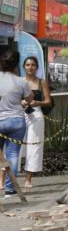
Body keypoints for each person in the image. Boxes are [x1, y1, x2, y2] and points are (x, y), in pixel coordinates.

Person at [0, 50, 34, 197]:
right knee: (12, 155)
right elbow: (30, 98)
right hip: (16, 121)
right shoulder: (21, 81)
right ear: (17, 64)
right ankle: (9, 189)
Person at [21, 56, 51, 188]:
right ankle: (4, 178)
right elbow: (11, 99)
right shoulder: (19, 81)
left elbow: (48, 101)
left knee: (34, 146)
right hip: (20, 114)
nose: (30, 67)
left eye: (33, 65)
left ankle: (28, 179)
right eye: (28, 65)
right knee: (14, 145)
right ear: (24, 67)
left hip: (36, 115)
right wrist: (20, 102)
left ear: (37, 67)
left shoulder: (42, 82)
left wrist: (38, 102)